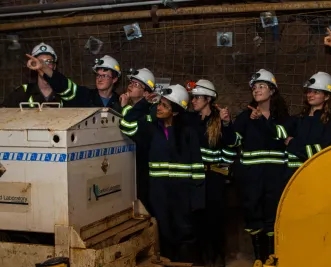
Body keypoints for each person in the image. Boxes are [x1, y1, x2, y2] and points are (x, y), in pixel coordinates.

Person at [119, 84, 205, 264]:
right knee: (163, 234)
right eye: (159, 104)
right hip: (159, 194)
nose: (159, 107)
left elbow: (197, 167)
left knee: (185, 234)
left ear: (175, 111)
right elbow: (125, 124)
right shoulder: (150, 130)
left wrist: (197, 200)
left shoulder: (188, 133)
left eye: (165, 105)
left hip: (182, 195)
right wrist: (143, 102)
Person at [231, 69, 289, 266]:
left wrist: (262, 120)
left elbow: (282, 137)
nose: (257, 90)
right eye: (254, 87)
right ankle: (258, 259)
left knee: (273, 218)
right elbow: (232, 141)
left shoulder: (281, 117)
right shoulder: (244, 117)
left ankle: (273, 259)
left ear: (272, 90)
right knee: (253, 216)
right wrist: (224, 125)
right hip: (251, 178)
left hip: (275, 177)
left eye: (262, 86)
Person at [188, 79, 236, 266]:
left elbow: (231, 148)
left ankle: (217, 258)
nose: (194, 101)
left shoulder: (218, 122)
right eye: (193, 97)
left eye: (197, 97)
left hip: (213, 180)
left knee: (214, 221)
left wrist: (221, 174)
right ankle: (201, 259)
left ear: (208, 99)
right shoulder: (190, 121)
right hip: (195, 179)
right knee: (197, 221)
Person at [274, 72, 331, 175]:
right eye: (309, 91)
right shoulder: (298, 119)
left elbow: (321, 152)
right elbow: (277, 131)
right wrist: (261, 118)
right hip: (291, 175)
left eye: (316, 92)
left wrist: (293, 143)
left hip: (315, 174)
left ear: (326, 96)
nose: (310, 95)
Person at [25, 54, 123, 113]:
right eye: (98, 75)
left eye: (104, 75)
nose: (99, 79)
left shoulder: (120, 101)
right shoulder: (84, 95)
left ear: (114, 79)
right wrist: (43, 67)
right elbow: (62, 84)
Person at [119, 68, 156, 214]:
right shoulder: (132, 108)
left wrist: (123, 107)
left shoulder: (150, 112)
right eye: (131, 82)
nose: (130, 86)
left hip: (145, 168)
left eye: (136, 84)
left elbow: (127, 127)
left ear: (146, 93)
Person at [2, 43, 63, 107]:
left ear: (54, 66)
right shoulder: (23, 92)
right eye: (40, 62)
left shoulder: (65, 92)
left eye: (49, 61)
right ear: (33, 66)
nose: (44, 66)